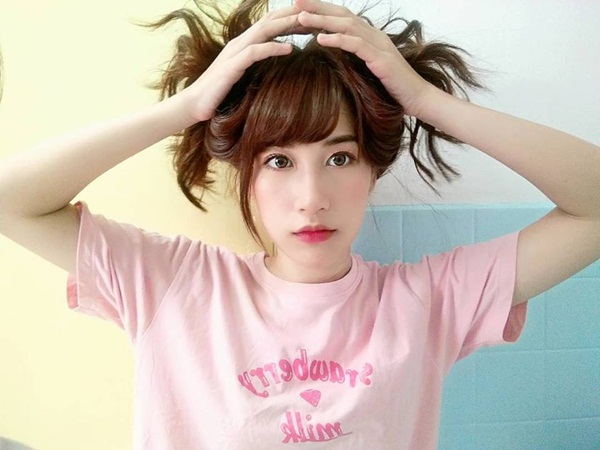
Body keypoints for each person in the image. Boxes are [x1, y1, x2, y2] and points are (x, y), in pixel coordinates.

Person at [0, 0, 598, 448]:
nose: (312, 199)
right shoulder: (174, 284)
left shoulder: (428, 301)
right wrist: (186, 109)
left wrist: (424, 102)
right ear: (247, 177)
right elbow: (10, 201)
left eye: (339, 158)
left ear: (371, 170)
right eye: (279, 162)